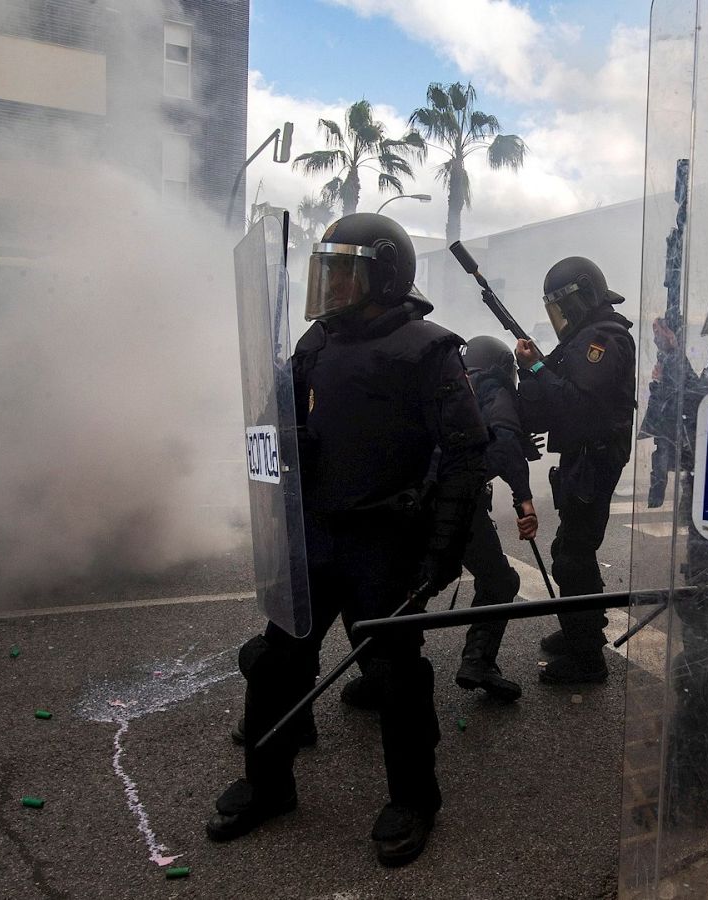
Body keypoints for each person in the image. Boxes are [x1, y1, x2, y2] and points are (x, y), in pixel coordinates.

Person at [207, 213, 488, 868]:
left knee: (394, 673)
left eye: (342, 272)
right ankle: (269, 784)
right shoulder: (316, 344)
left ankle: (416, 799)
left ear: (384, 275)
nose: (328, 286)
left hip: (384, 543)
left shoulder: (429, 349)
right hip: (316, 538)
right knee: (280, 662)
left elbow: (465, 457)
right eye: (323, 272)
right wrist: (286, 442)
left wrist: (440, 556)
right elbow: (281, 419)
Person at [514, 256, 636, 684]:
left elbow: (577, 402)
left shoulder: (603, 337)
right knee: (570, 547)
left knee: (572, 556)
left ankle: (587, 659)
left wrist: (533, 368)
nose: (561, 317)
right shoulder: (586, 336)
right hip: (584, 456)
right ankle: (581, 630)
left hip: (595, 457)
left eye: (564, 306)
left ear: (584, 295)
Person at [453, 335, 542, 703]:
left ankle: (383, 673)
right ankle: (478, 661)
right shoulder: (492, 386)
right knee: (500, 582)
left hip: (414, 504)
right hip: (458, 504)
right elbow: (502, 442)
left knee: (407, 590)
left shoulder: (452, 385)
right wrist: (525, 500)